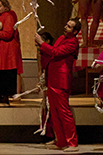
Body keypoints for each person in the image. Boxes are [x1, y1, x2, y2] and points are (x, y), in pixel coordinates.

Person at [35, 18, 81, 151]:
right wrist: (41, 46)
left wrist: (42, 43)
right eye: (66, 25)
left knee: (64, 112)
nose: (65, 27)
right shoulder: (61, 38)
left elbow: (56, 53)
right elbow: (52, 52)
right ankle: (61, 141)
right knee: (54, 112)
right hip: (52, 79)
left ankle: (72, 142)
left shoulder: (73, 43)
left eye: (69, 26)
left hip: (61, 81)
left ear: (75, 31)